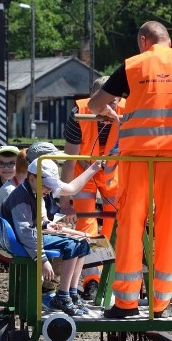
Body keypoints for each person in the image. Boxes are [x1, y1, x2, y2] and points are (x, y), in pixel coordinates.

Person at [88, 21, 172, 318]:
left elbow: (95, 104)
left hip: (138, 159)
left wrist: (115, 115)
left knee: (130, 226)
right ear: (169, 41)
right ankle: (161, 304)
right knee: (170, 229)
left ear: (143, 41)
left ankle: (126, 303)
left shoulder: (133, 65)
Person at [0, 157, 104, 315]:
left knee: (81, 243)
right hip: (22, 241)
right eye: (47, 186)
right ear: (32, 178)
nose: (50, 190)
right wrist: (43, 260)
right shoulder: (22, 197)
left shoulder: (35, 189)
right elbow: (26, 234)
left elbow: (71, 189)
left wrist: (94, 167)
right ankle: (62, 296)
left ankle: (72, 292)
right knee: (72, 245)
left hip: (32, 234)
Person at [60, 75, 122, 301]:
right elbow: (69, 158)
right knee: (86, 226)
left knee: (113, 227)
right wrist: (64, 202)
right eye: (105, 101)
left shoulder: (128, 111)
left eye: (115, 100)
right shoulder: (78, 113)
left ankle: (110, 277)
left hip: (113, 175)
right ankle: (92, 282)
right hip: (83, 172)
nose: (111, 106)